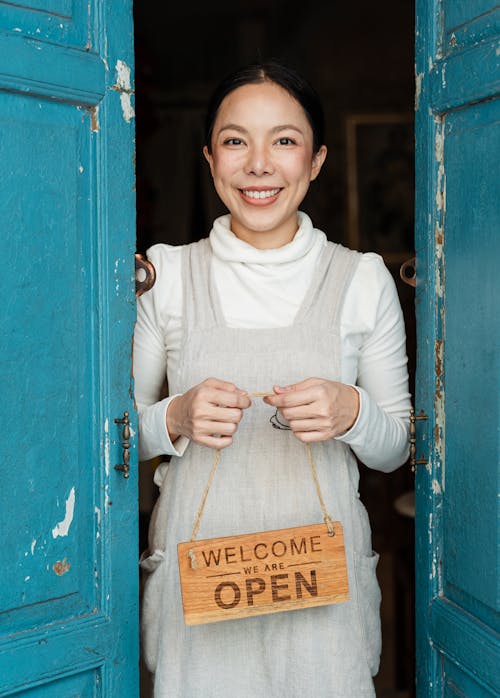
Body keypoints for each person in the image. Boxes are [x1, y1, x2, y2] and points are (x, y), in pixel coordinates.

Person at [134, 62, 411, 698]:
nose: (259, 164)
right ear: (209, 158)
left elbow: (398, 447)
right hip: (198, 584)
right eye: (236, 141)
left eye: (284, 141)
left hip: (322, 590)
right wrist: (173, 419)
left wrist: (352, 413)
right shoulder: (166, 275)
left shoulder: (361, 278)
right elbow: (114, 439)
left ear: (315, 161)